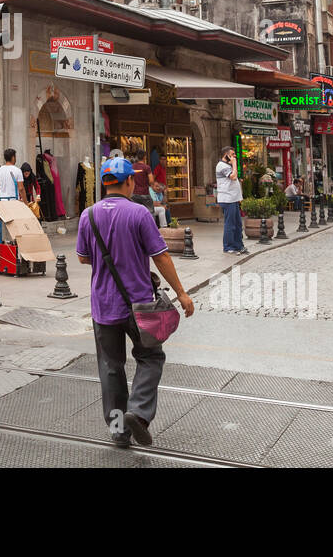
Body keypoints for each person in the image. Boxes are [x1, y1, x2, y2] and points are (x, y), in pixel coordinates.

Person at [76, 156, 194, 448]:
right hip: (140, 305)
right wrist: (181, 292)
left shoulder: (87, 216)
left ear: (104, 183)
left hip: (104, 306)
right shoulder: (140, 214)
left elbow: (82, 257)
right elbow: (161, 255)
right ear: (129, 181)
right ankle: (139, 414)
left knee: (110, 366)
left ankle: (119, 430)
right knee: (151, 357)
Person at [216, 147, 247, 255]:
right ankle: (228, 247)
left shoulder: (227, 165)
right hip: (227, 199)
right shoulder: (221, 165)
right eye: (232, 154)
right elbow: (233, 177)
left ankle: (239, 246)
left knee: (238, 224)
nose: (235, 156)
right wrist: (234, 163)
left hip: (233, 199)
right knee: (230, 224)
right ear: (226, 155)